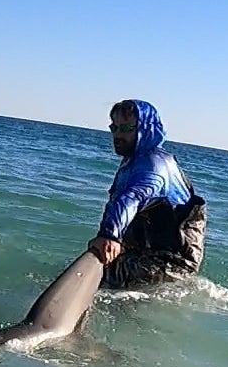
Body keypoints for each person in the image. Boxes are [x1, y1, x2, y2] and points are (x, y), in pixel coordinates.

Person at [85, 100, 208, 289]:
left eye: (125, 128)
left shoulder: (154, 165)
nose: (117, 134)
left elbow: (132, 198)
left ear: (147, 129)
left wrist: (110, 236)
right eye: (114, 127)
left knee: (104, 281)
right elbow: (116, 202)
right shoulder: (134, 161)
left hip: (172, 262)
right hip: (143, 252)